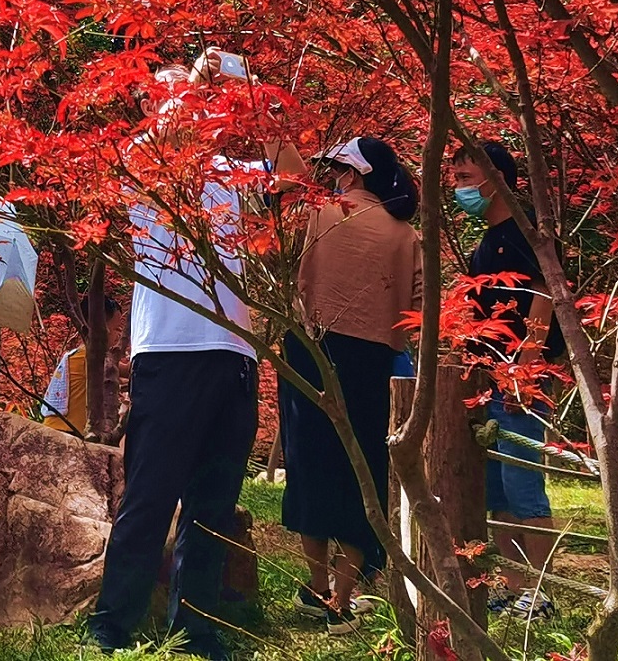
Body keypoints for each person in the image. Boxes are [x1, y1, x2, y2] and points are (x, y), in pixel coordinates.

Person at [88, 51, 302, 660]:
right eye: (180, 98)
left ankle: (197, 625)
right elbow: (152, 141)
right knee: (151, 494)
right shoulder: (146, 169)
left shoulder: (236, 174)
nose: (195, 107)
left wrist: (257, 100)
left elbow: (295, 179)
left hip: (234, 352)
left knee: (213, 500)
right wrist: (193, 86)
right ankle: (114, 620)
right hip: (170, 352)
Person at [280, 137, 423, 631]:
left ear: (353, 173)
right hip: (374, 358)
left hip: (310, 347)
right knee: (362, 467)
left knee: (310, 462)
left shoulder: (318, 215)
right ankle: (344, 596)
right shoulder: (405, 234)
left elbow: (279, 263)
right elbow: (420, 304)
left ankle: (316, 586)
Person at [455, 139, 564, 621]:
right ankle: (514, 586)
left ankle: (542, 591)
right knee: (498, 489)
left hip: (519, 379)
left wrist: (527, 363)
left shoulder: (527, 234)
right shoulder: (484, 244)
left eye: (465, 177)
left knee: (523, 483)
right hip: (486, 382)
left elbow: (545, 293)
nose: (458, 188)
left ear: (495, 178)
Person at [41, 297, 124, 438]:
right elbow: (126, 370)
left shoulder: (77, 353)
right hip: (70, 433)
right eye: (117, 329)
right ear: (100, 327)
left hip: (54, 429)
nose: (120, 334)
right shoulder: (93, 357)